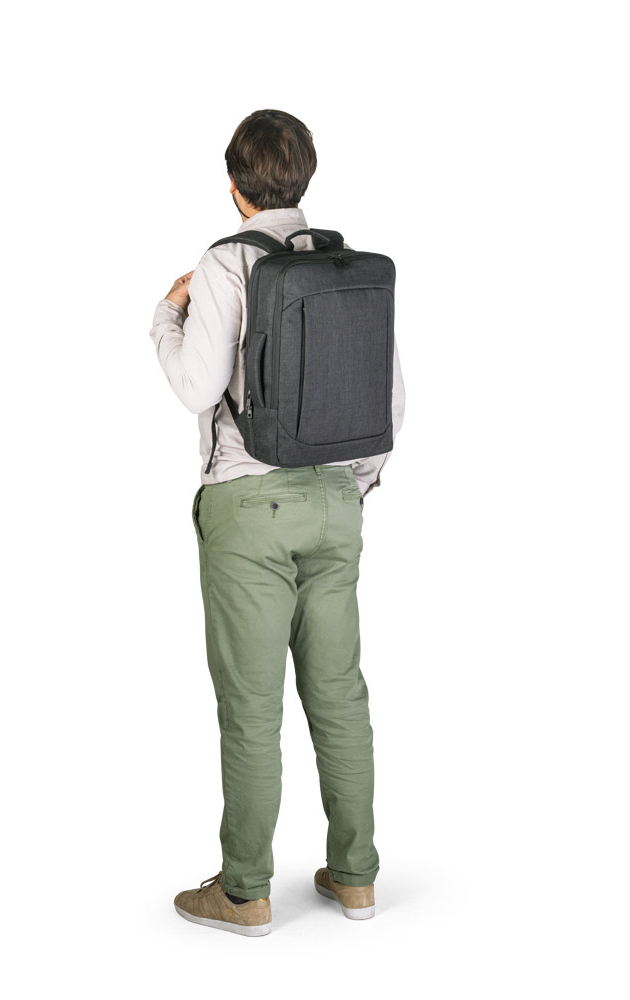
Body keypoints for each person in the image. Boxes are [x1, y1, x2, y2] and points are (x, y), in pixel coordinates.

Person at [148, 109, 406, 936]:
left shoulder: (226, 262)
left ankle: (246, 891)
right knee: (340, 696)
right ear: (304, 178)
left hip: (248, 507)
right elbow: (390, 403)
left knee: (252, 707)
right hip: (336, 504)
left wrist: (166, 317)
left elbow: (197, 387)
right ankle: (357, 878)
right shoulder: (345, 265)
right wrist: (350, 489)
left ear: (235, 186)